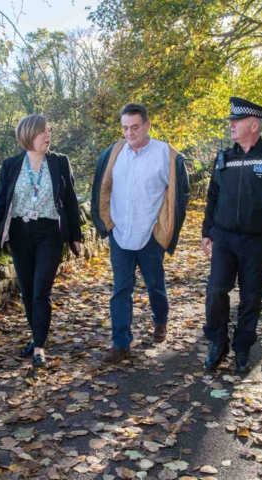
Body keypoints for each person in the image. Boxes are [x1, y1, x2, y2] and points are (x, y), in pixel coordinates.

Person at [201, 97, 262, 374]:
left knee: (251, 297)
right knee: (217, 290)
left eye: (237, 121)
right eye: (231, 121)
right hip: (223, 237)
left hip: (257, 240)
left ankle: (242, 347)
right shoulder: (224, 158)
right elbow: (213, 198)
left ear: (254, 125)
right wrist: (206, 231)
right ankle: (217, 343)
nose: (231, 125)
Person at [91, 103, 190, 365]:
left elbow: (178, 195)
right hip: (120, 233)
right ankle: (121, 343)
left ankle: (161, 321)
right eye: (125, 128)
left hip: (151, 234)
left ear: (147, 125)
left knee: (155, 284)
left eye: (135, 127)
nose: (130, 133)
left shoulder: (166, 155)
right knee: (121, 288)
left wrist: (164, 230)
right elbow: (103, 187)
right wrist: (108, 224)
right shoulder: (112, 154)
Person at [0, 114, 82, 368]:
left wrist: (75, 236)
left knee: (41, 292)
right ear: (28, 136)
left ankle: (39, 347)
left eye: (48, 131)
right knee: (27, 293)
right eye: (41, 132)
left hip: (49, 233)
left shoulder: (60, 162)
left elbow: (70, 201)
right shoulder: (11, 165)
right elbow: (1, 204)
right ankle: (37, 336)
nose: (47, 136)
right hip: (20, 234)